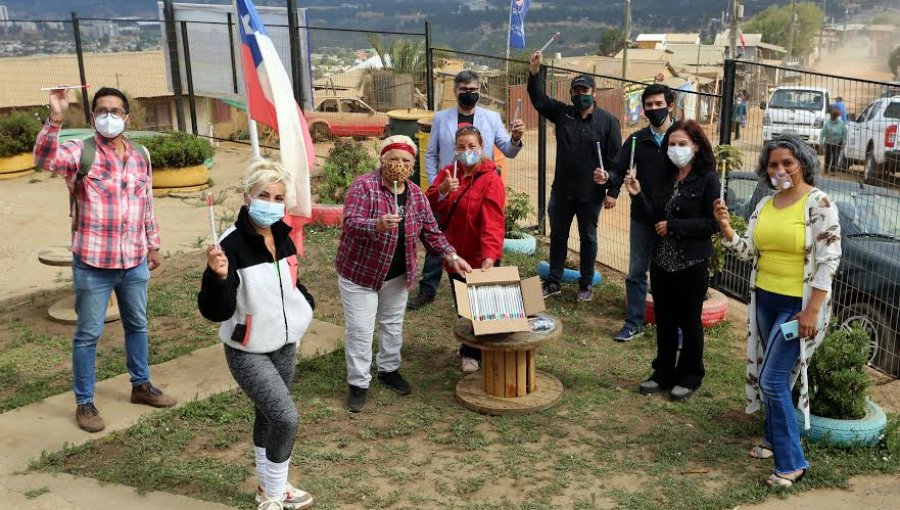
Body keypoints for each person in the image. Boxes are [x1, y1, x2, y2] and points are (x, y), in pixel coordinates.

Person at [34, 86, 175, 433]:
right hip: (93, 263)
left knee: (138, 325)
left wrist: (152, 245)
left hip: (134, 261)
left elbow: (146, 203)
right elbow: (43, 159)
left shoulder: (141, 153)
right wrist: (55, 117)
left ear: (127, 117)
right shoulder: (79, 152)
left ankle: (141, 385)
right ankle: (84, 402)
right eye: (101, 111)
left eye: (115, 111)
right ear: (93, 116)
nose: (108, 116)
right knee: (87, 334)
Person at [713, 135, 842, 488]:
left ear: (802, 163)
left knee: (771, 379)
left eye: (787, 162)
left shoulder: (819, 203)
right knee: (775, 375)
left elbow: (829, 261)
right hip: (765, 301)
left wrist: (812, 311)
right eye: (773, 164)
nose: (780, 169)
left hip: (798, 306)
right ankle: (771, 439)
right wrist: (726, 227)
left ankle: (793, 462)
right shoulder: (766, 204)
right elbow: (747, 251)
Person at [198, 160, 315, 510]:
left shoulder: (283, 236)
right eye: (263, 194)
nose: (271, 202)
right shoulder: (229, 246)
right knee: (285, 417)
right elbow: (215, 310)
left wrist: (304, 305)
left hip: (284, 344)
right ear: (248, 197)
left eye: (278, 196)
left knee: (268, 416)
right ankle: (275, 497)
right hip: (248, 349)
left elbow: (290, 284)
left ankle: (269, 487)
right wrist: (218, 277)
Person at [337, 136, 472, 412]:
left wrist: (451, 255)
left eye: (406, 161)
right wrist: (376, 225)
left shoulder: (416, 195)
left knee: (392, 324)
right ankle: (359, 383)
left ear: (412, 166)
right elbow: (350, 224)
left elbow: (431, 231)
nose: (399, 165)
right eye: (394, 159)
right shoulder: (364, 187)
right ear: (383, 160)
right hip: (361, 274)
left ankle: (389, 369)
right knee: (361, 330)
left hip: (397, 275)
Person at [408, 70, 524, 311]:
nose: (469, 94)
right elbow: (431, 155)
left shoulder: (491, 118)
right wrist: (439, 185)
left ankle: (480, 314)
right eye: (464, 90)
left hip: (480, 187)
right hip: (450, 186)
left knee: (474, 235)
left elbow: (508, 150)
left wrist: (515, 139)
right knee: (439, 241)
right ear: (455, 91)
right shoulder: (441, 117)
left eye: (474, 90)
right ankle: (427, 289)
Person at [623, 120, 720, 401]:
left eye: (682, 144)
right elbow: (655, 218)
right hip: (663, 262)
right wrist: (638, 194)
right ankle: (663, 371)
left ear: (696, 146)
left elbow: (713, 223)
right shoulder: (666, 179)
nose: (676, 149)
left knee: (689, 321)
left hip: (691, 262)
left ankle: (690, 375)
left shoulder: (708, 180)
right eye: (672, 145)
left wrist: (675, 226)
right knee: (664, 320)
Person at [527, 50, 621, 301]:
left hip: (590, 194)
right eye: (576, 92)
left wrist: (612, 190)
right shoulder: (563, 114)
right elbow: (539, 99)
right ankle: (554, 281)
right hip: (562, 191)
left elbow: (617, 161)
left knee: (588, 239)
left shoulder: (608, 122)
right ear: (571, 94)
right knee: (558, 236)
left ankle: (586, 284)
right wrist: (535, 72)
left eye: (585, 91)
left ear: (594, 94)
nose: (580, 96)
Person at [426, 126, 506, 373]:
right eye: (461, 147)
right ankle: (469, 353)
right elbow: (427, 206)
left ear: (481, 148)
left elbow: (493, 222)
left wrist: (490, 256)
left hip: (482, 256)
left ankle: (491, 352)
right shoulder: (448, 174)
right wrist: (441, 190)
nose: (467, 151)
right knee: (465, 307)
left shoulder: (491, 179)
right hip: (455, 255)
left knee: (487, 308)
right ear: (455, 150)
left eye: (472, 146)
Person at [604, 83, 677, 342]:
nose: (654, 109)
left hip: (674, 220)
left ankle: (675, 328)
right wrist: (607, 179)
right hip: (642, 218)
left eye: (659, 104)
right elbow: (618, 169)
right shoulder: (636, 140)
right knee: (636, 271)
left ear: (671, 106)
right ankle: (634, 322)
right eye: (649, 105)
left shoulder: (682, 137)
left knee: (671, 274)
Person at [820, 108, 847, 174]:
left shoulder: (841, 124)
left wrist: (844, 142)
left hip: (838, 143)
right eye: (833, 116)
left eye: (835, 116)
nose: (834, 117)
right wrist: (821, 143)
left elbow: (844, 133)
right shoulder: (827, 124)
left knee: (835, 156)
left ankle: (833, 170)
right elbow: (822, 133)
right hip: (829, 143)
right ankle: (826, 168)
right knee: (827, 156)